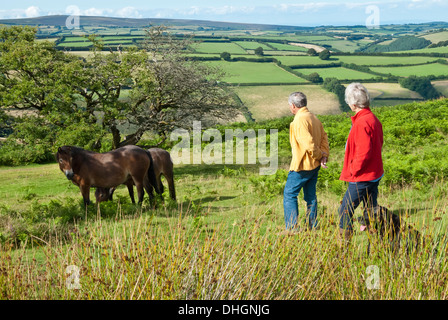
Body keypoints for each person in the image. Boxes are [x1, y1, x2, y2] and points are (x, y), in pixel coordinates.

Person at [338, 82, 384, 245]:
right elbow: (379, 143)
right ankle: (377, 240)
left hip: (362, 176)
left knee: (344, 210)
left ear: (353, 104)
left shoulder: (362, 122)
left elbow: (363, 152)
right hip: (374, 173)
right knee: (371, 209)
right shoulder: (372, 119)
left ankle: (344, 246)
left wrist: (354, 171)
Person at [283, 92, 329, 232]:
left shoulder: (299, 120)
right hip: (314, 166)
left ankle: (292, 228)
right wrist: (323, 154)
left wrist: (318, 155)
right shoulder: (313, 117)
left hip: (303, 164)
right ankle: (313, 226)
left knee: (289, 194)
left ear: (293, 106)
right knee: (310, 196)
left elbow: (308, 144)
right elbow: (324, 137)